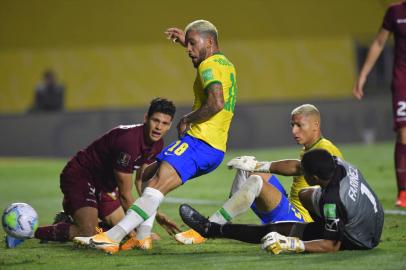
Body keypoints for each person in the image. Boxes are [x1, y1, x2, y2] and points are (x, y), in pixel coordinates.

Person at [73, 19, 238, 254]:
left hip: (201, 142)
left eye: (193, 44)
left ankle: (112, 237)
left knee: (155, 186)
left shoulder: (207, 65)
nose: (189, 50)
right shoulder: (225, 63)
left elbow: (216, 102)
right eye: (187, 44)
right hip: (213, 146)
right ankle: (142, 237)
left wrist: (187, 119)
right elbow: (210, 66)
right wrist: (187, 41)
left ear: (209, 42)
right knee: (146, 175)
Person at [6, 98, 179, 249]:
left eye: (164, 123)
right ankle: (27, 233)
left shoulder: (157, 143)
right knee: (88, 232)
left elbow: (140, 181)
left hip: (105, 186)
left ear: (170, 125)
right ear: (146, 118)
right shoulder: (129, 142)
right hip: (81, 176)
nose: (159, 127)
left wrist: (154, 214)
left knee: (127, 232)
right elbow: (125, 195)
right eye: (155, 121)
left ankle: (66, 223)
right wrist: (141, 229)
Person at [176, 104, 343, 245]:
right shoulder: (311, 148)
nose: (294, 131)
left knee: (256, 180)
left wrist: (260, 165)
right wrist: (253, 165)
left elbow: (298, 168)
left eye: (299, 125)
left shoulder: (325, 149)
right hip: (291, 208)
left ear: (316, 124)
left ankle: (207, 228)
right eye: (292, 125)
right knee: (246, 169)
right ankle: (222, 220)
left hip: (300, 222)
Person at [180, 149, 384, 253]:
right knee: (306, 195)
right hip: (373, 219)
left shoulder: (332, 201)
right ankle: (318, 227)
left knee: (273, 231)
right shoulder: (338, 164)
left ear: (314, 177)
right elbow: (297, 167)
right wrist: (259, 165)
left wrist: (293, 244)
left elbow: (332, 244)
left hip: (358, 238)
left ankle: (211, 229)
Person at [353, 1, 406, 207]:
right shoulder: (395, 12)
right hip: (403, 81)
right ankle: (403, 191)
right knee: (404, 133)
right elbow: (379, 42)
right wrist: (363, 75)